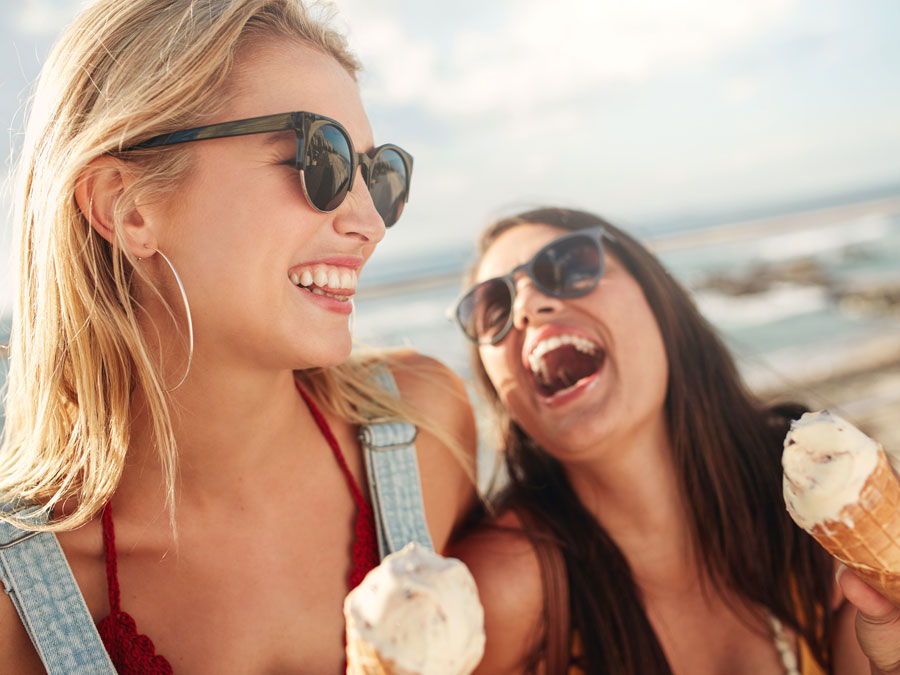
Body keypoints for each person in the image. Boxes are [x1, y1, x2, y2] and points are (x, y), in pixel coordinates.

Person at [0, 1, 477, 673]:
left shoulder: (427, 434)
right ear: (128, 206)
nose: (370, 221)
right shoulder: (18, 606)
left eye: (378, 172)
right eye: (323, 159)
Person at [448, 207, 900, 674]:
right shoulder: (501, 592)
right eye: (491, 311)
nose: (525, 306)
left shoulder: (811, 501)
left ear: (657, 298)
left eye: (569, 266)